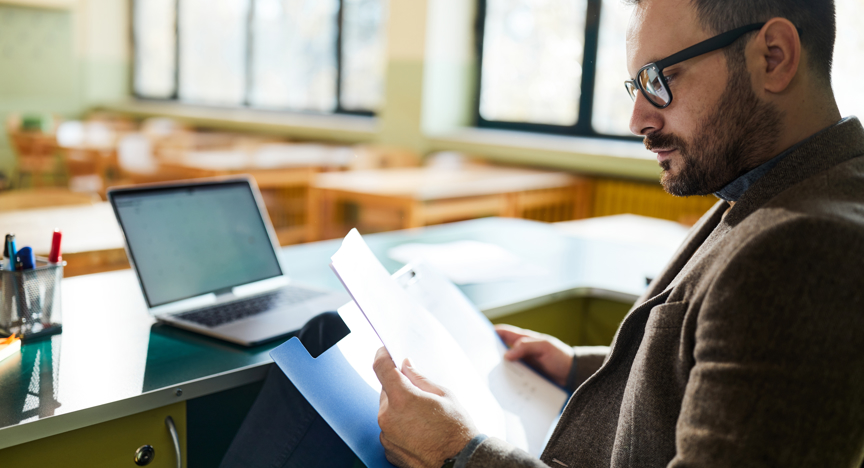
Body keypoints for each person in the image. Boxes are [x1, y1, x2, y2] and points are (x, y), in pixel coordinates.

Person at [223, 0, 864, 466]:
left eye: (659, 81)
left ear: (773, 56)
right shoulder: (783, 185)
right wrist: (585, 368)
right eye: (635, 85)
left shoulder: (800, 248)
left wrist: (463, 453)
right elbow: (724, 372)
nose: (639, 117)